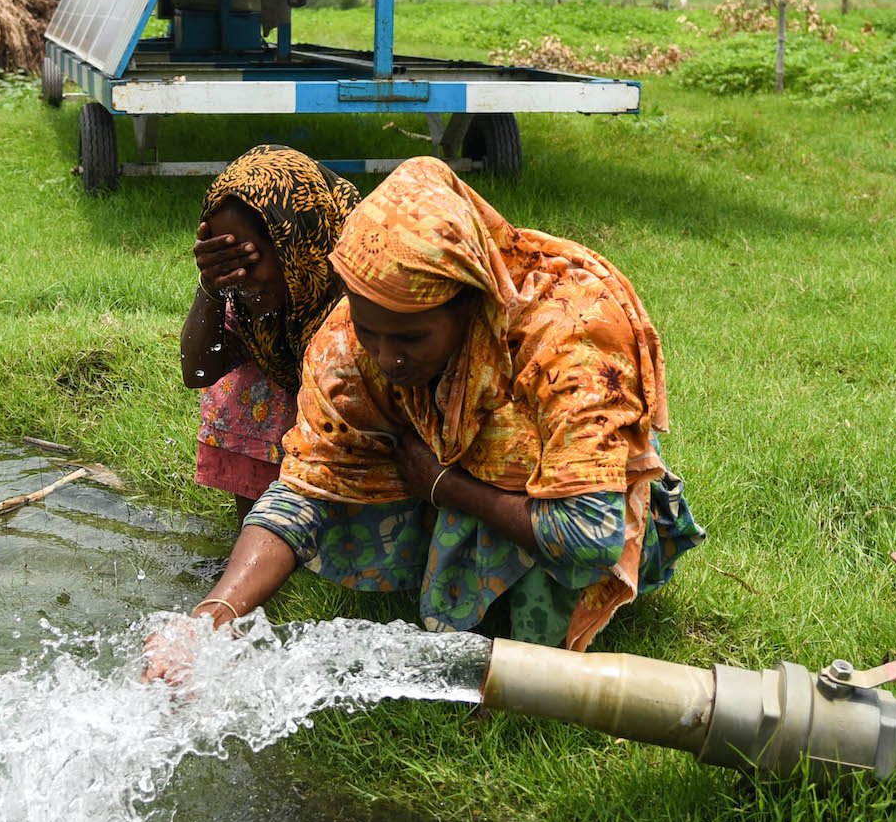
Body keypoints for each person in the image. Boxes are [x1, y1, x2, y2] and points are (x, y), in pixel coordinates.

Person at [155, 156, 701, 674]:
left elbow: (590, 533)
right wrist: (212, 617)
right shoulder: (345, 343)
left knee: (541, 521)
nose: (388, 358)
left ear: (469, 306)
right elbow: (303, 488)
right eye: (372, 330)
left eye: (412, 336)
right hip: (448, 484)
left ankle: (529, 642)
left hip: (566, 514)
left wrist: (446, 486)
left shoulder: (573, 335)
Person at [180, 146, 361, 520]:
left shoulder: (360, 287)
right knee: (245, 386)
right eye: (222, 260)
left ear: (297, 245)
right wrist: (210, 286)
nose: (238, 278)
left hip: (359, 454)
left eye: (247, 259)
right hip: (285, 442)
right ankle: (262, 527)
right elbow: (196, 371)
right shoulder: (244, 295)